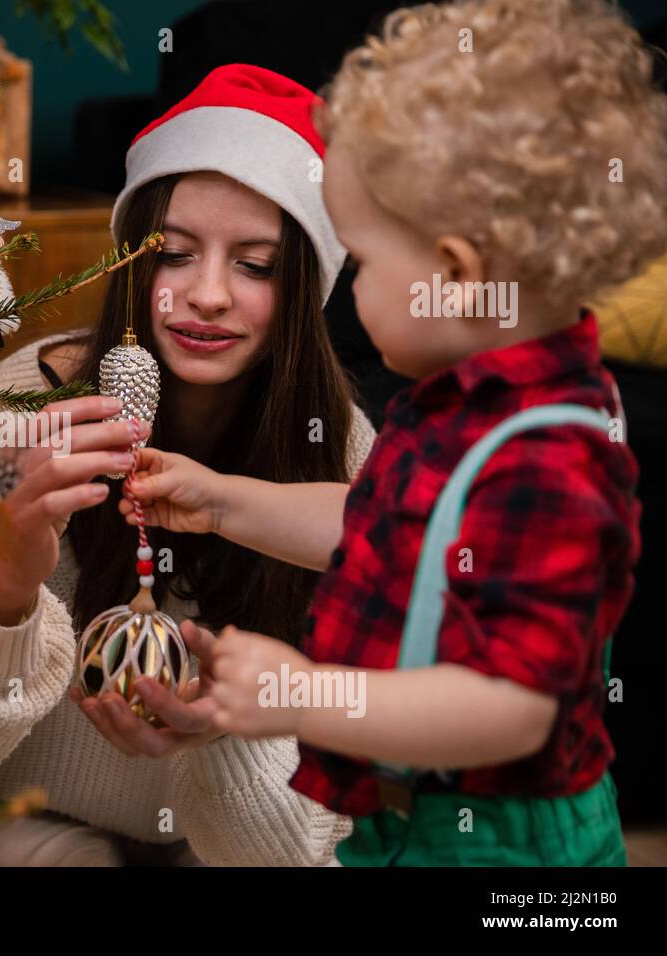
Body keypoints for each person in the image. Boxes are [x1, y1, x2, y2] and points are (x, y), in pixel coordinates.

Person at [122, 0, 667, 865]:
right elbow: (381, 526)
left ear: (453, 273)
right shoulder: (460, 401)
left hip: (503, 848)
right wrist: (224, 502)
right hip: (399, 821)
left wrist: (307, 697)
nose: (353, 294)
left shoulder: (548, 453)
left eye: (366, 263)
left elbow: (513, 707)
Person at [0, 65, 376, 865]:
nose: (206, 295)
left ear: (305, 289)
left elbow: (293, 850)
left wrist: (222, 732)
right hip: (15, 815)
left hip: (219, 840)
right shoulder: (9, 410)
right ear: (131, 265)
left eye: (256, 264)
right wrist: (6, 582)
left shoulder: (346, 458)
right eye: (173, 255)